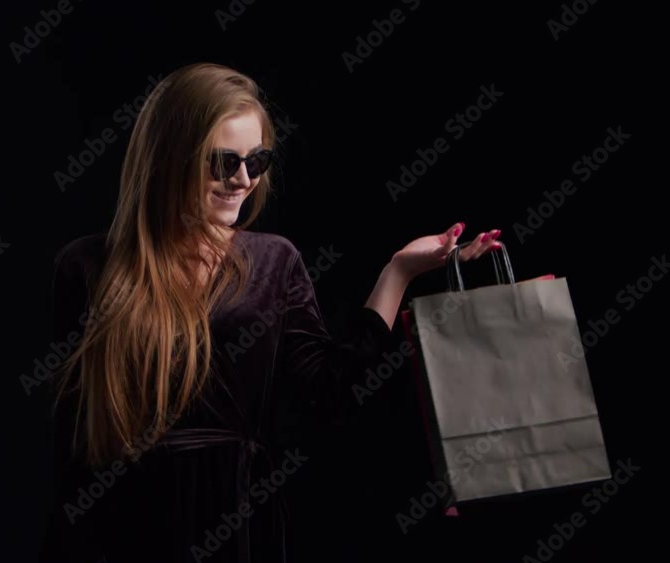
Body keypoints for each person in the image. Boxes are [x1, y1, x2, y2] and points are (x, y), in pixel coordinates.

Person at [39, 63, 503, 563]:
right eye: (222, 162)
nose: (242, 179)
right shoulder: (86, 267)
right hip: (122, 529)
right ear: (171, 158)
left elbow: (329, 392)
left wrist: (398, 273)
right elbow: (71, 445)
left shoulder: (274, 262)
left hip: (238, 525)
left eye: (256, 161)